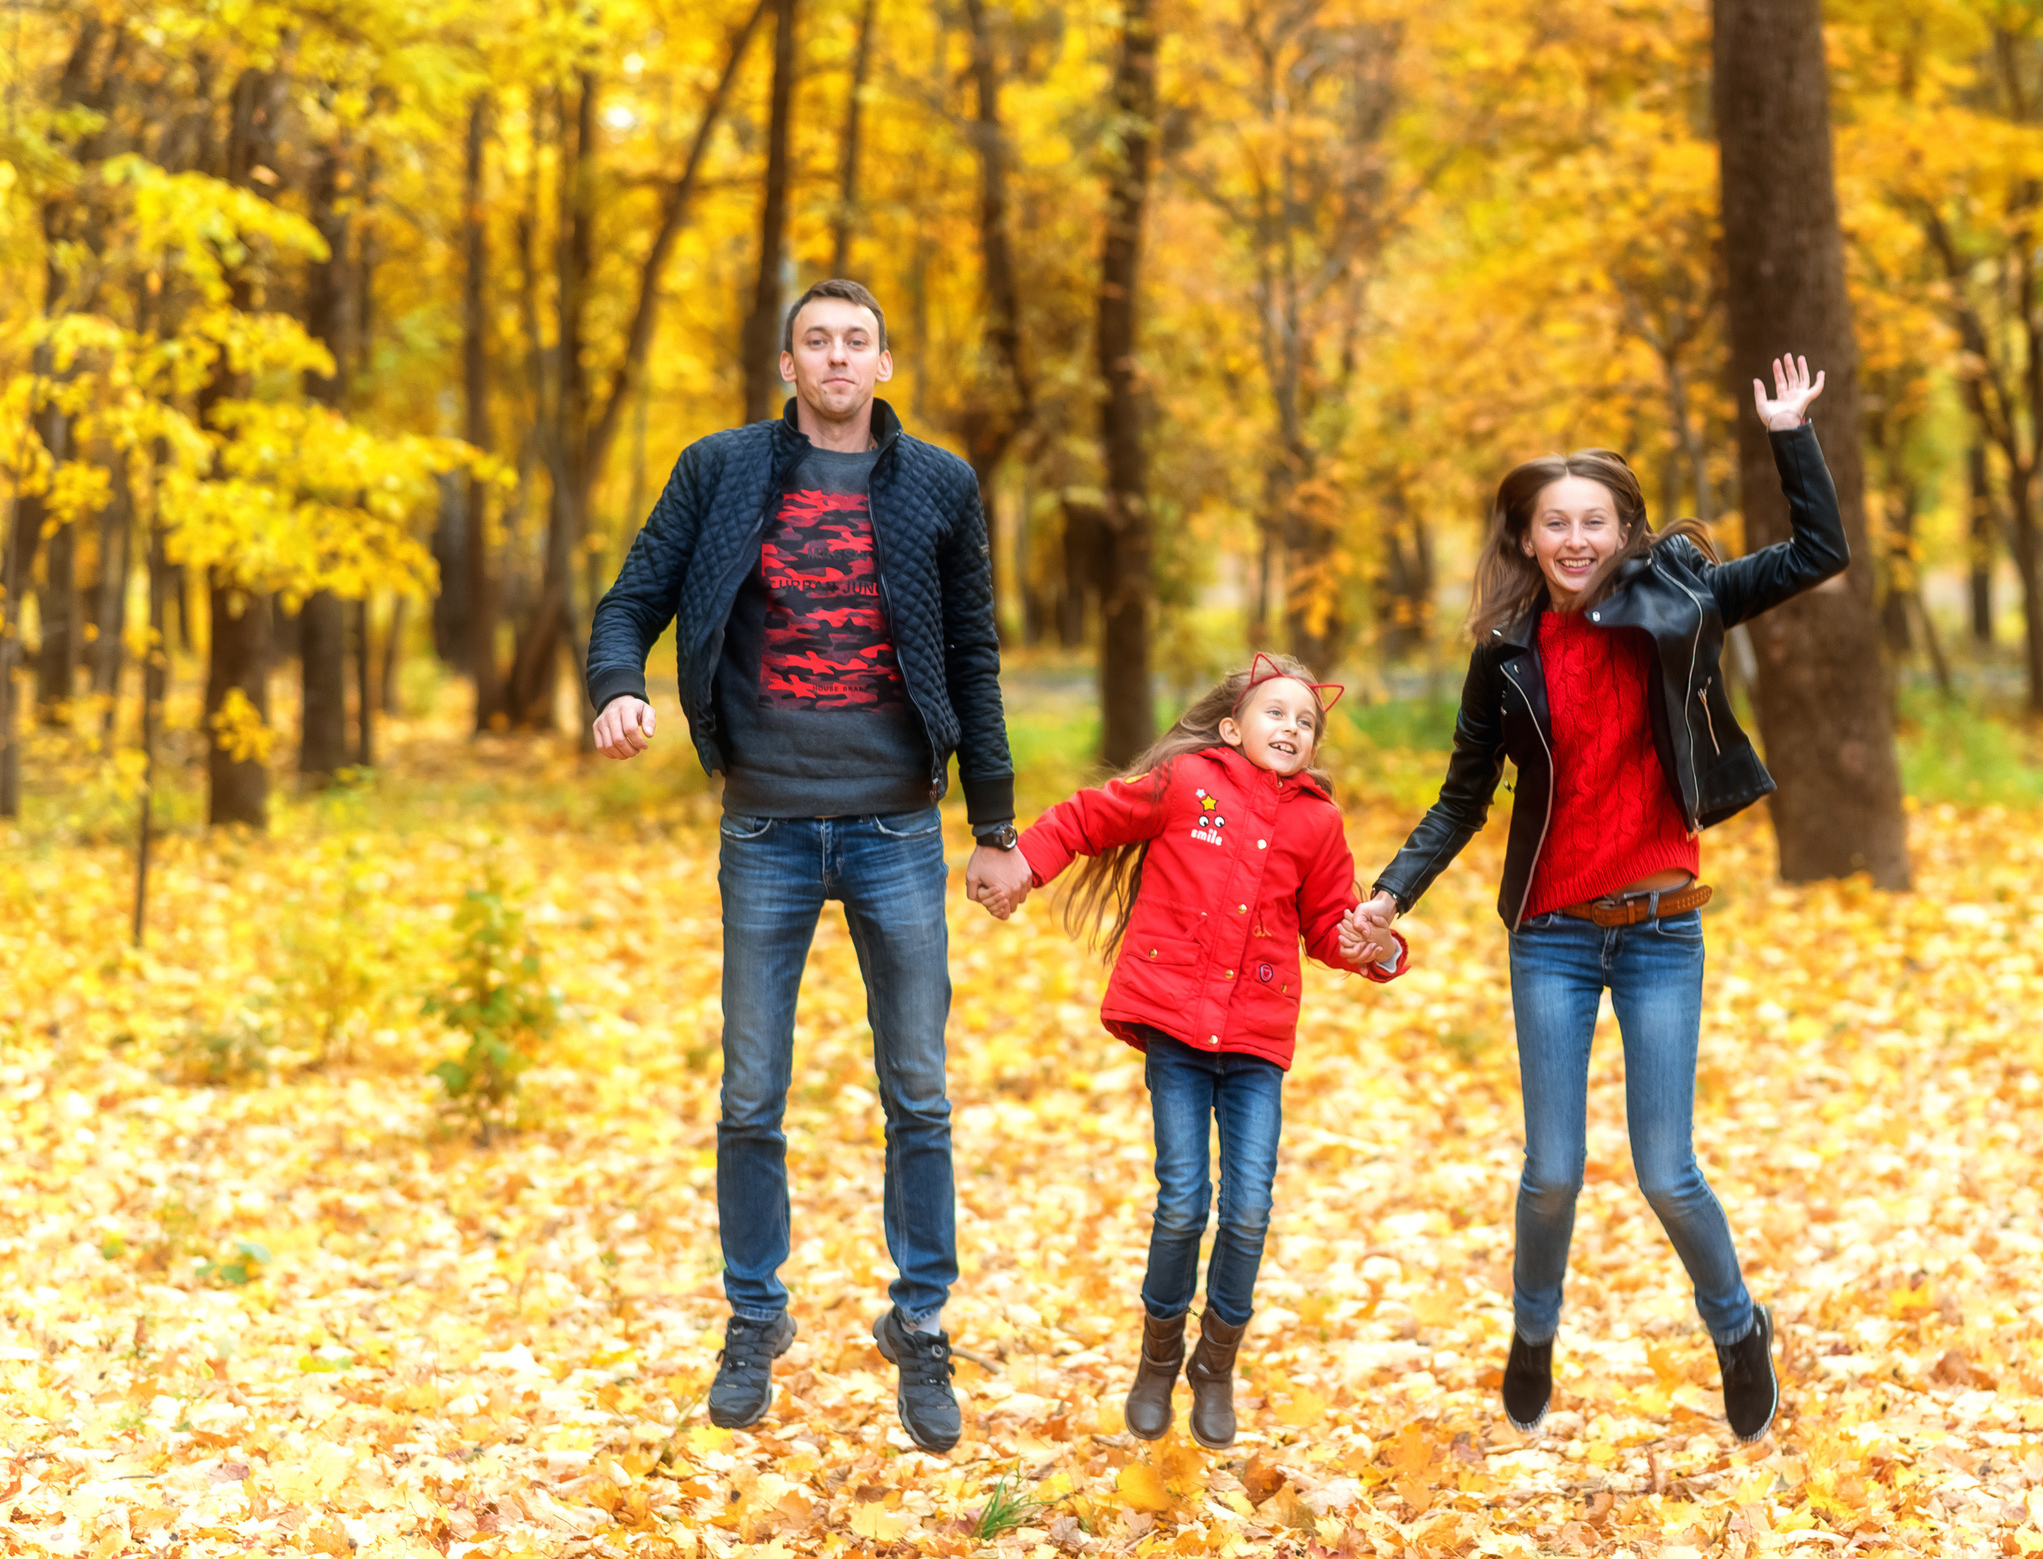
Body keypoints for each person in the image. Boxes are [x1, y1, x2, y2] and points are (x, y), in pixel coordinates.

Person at [1339, 355, 1846, 1445]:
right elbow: (1462, 796)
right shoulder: (1505, 655)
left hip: (1661, 931)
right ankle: (1533, 1331)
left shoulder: (1687, 601)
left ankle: (1737, 1327)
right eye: (1555, 523)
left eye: (1594, 521)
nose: (1575, 539)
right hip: (1553, 938)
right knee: (1551, 1173)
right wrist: (1390, 893)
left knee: (1667, 1172)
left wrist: (1788, 435)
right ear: (1526, 538)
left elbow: (1818, 552)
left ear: (1623, 529)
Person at [586, 278, 1024, 1452]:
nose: (836, 356)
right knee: (750, 1093)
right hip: (765, 828)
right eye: (815, 340)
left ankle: (919, 1322)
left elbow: (973, 655)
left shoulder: (939, 484)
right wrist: (618, 687)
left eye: (855, 341)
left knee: (918, 1091)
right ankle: (753, 1314)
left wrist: (994, 824)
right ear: (788, 365)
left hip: (896, 829)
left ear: (884, 364)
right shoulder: (720, 470)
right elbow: (631, 601)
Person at [970, 655, 1410, 1449]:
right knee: (1183, 1199)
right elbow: (1087, 818)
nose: (1292, 728)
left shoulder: (1318, 822)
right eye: (1276, 713)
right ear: (1233, 727)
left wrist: (1370, 945)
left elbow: (1328, 927)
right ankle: (1158, 1355)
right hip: (1175, 1028)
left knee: (1248, 1207)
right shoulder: (1186, 783)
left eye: (1306, 722)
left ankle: (1215, 1364)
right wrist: (1024, 865)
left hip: (1255, 1043)